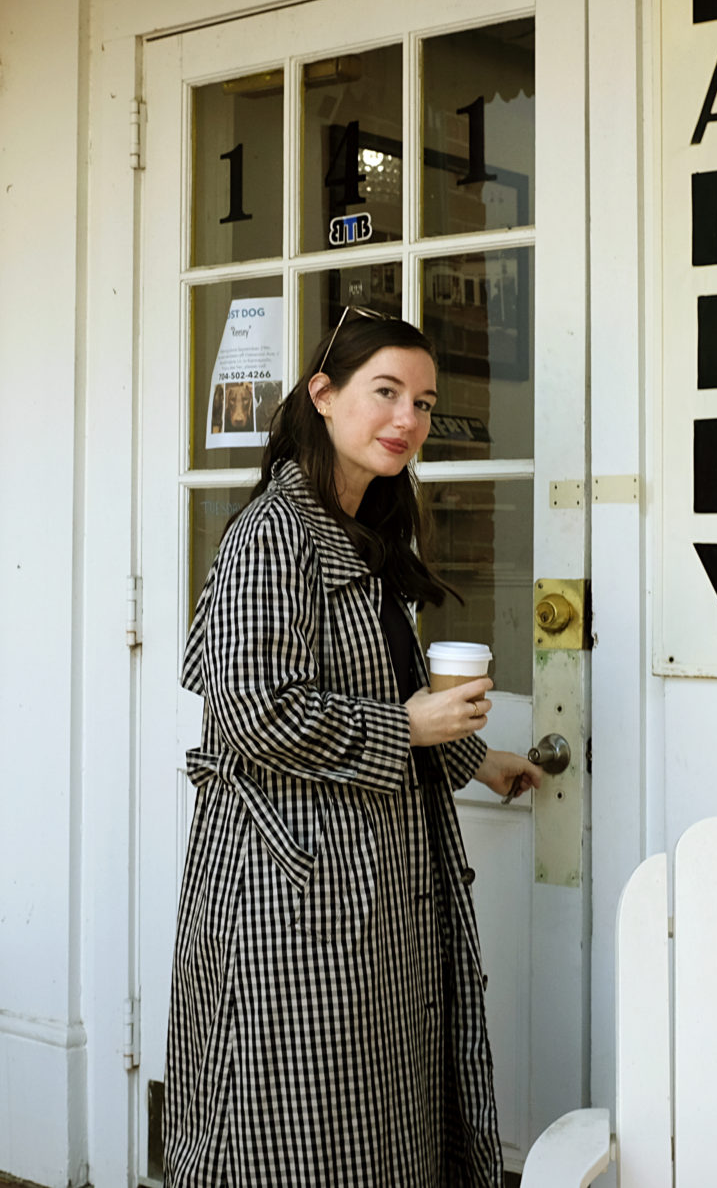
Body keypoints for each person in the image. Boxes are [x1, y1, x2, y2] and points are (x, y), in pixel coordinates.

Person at [165, 308, 542, 1188]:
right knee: (283, 1121)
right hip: (287, 890)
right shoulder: (272, 537)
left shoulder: (364, 530)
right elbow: (254, 709)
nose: (405, 417)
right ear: (323, 395)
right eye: (384, 392)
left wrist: (472, 757)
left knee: (372, 1120)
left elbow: (376, 691)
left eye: (421, 400)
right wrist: (408, 728)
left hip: (366, 885)